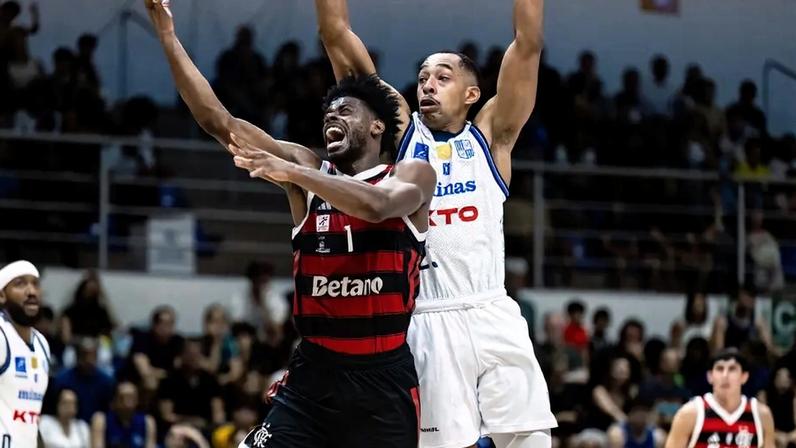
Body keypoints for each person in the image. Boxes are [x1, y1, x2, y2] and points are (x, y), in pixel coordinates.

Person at [145, 1, 436, 447]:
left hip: (383, 384)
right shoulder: (310, 172)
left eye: (346, 110)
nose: (332, 116)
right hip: (313, 378)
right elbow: (219, 122)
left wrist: (297, 173)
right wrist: (166, 37)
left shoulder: (411, 173)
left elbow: (378, 207)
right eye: (328, 112)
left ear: (378, 125)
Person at [314, 0, 556, 447]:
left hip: (491, 308)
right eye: (423, 77)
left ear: (471, 94)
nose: (427, 85)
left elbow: (528, 45)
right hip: (428, 316)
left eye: (443, 77)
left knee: (532, 439)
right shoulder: (402, 134)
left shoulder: (492, 136)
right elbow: (336, 34)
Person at [665, 350, 775, 448]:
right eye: (719, 369)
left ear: (744, 376)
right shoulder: (690, 413)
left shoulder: (761, 415)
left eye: (732, 369)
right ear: (710, 376)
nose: (725, 375)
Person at [0, 260, 51, 447]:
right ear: (2, 295)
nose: (31, 291)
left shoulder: (42, 343)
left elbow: (30, 417)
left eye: (35, 284)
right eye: (20, 284)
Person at [91, 381, 156, 448]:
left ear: (137, 400)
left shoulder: (147, 422)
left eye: (131, 398)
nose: (127, 402)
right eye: (122, 398)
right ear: (115, 400)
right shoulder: (101, 420)